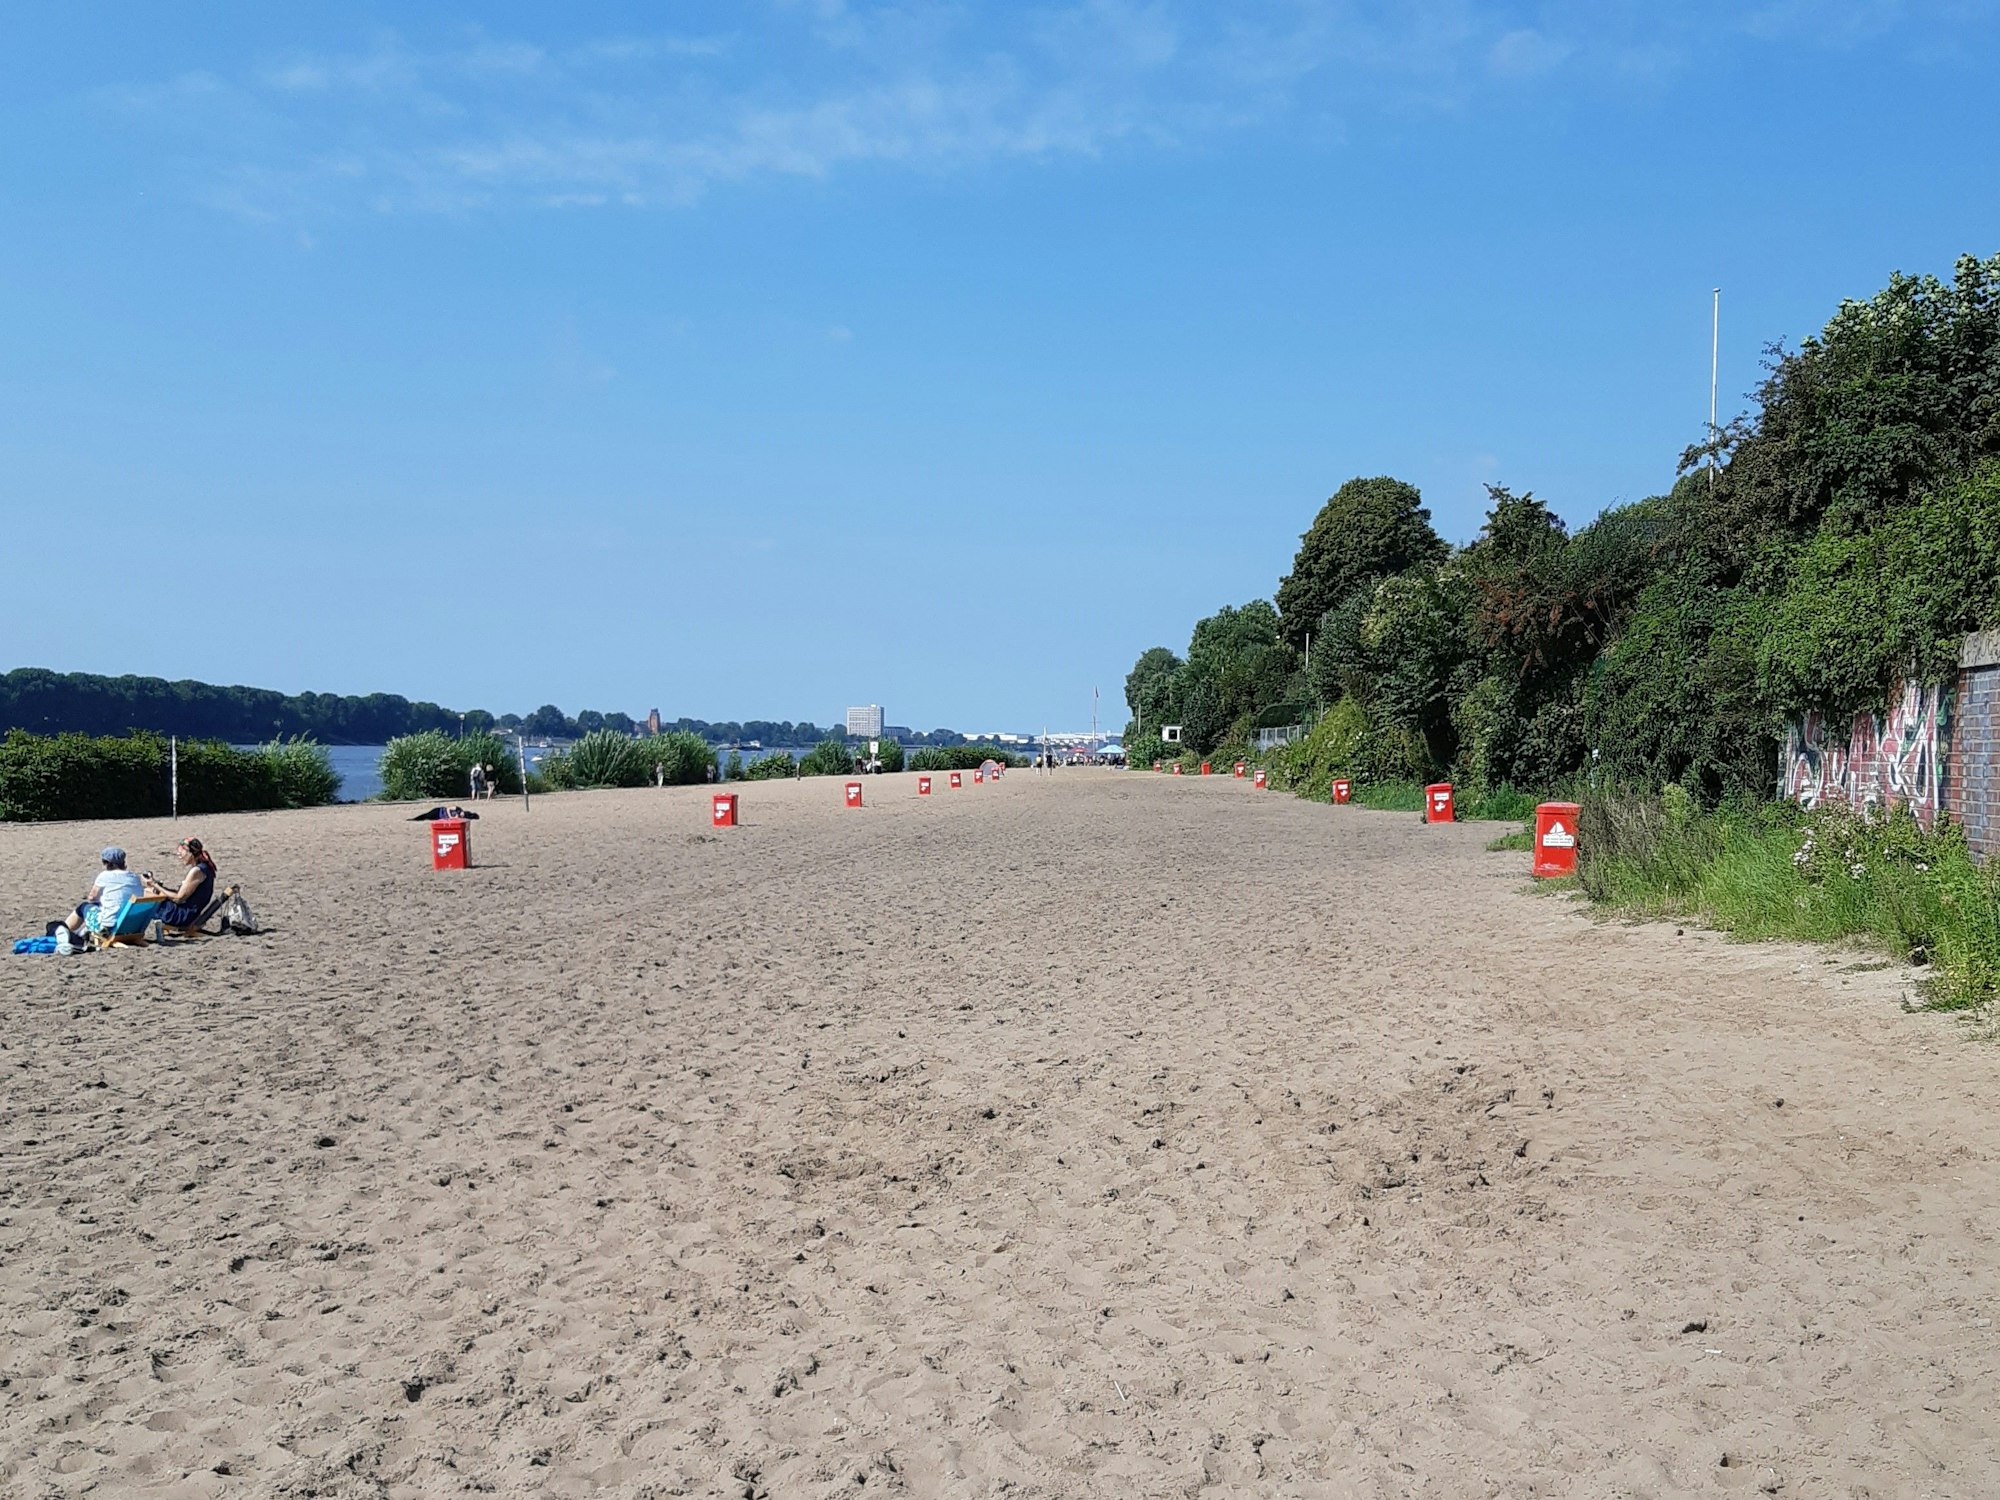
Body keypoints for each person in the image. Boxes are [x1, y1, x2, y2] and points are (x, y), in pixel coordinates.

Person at [54, 847, 145, 952]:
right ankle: (80, 931)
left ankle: (64, 932)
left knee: (83, 907)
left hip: (109, 927)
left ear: (107, 863)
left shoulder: (105, 876)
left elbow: (92, 897)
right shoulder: (134, 877)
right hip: (133, 926)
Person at [143, 837, 218, 934]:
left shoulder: (197, 871)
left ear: (190, 853)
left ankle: (131, 931)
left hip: (183, 916)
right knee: (152, 891)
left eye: (181, 852)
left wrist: (155, 885)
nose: (179, 855)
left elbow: (179, 898)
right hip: (189, 912)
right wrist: (159, 887)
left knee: (147, 894)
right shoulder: (205, 867)